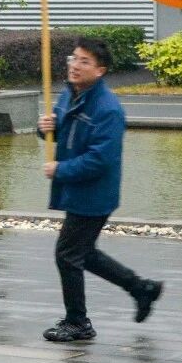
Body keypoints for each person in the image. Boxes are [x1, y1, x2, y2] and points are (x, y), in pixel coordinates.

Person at [39, 36, 162, 342]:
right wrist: (46, 130)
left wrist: (61, 169)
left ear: (100, 71)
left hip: (93, 193)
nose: (75, 66)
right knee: (83, 253)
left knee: (67, 255)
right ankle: (142, 288)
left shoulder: (108, 109)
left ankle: (78, 322)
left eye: (85, 62)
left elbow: (100, 160)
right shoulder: (69, 94)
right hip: (76, 190)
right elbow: (65, 134)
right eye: (74, 58)